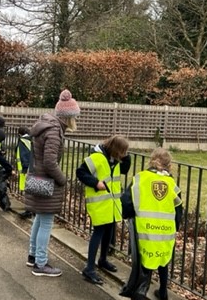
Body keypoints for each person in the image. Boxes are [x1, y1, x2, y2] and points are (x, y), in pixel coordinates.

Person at [120, 147, 183, 300]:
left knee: (144, 264)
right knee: (162, 258)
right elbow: (178, 209)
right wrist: (175, 227)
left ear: (151, 161)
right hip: (166, 230)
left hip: (145, 229)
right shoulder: (171, 184)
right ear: (169, 165)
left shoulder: (140, 178)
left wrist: (129, 215)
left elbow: (126, 201)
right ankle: (163, 292)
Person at [25, 89, 80, 278]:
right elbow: (50, 162)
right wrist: (62, 179)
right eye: (75, 116)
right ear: (68, 116)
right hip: (46, 182)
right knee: (46, 222)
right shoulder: (54, 132)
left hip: (37, 178)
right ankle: (41, 264)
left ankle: (33, 256)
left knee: (39, 220)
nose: (76, 120)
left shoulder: (46, 126)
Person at [76, 135, 131, 285]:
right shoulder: (97, 157)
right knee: (99, 233)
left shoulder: (115, 159)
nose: (123, 156)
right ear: (115, 149)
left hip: (111, 203)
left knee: (109, 231)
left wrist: (127, 156)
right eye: (122, 152)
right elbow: (80, 173)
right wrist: (95, 183)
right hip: (99, 203)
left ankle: (103, 259)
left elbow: (125, 169)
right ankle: (89, 269)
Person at [15, 126, 33, 218]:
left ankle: (28, 211)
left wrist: (25, 168)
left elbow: (23, 155)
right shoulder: (31, 140)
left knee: (28, 190)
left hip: (25, 169)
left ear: (19, 134)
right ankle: (32, 210)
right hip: (32, 168)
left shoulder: (22, 141)